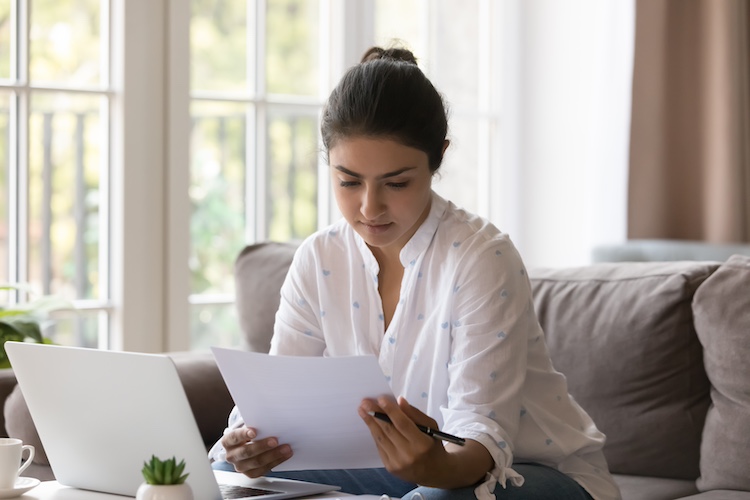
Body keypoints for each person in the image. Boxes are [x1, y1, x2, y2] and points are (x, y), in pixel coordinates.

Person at [209, 46, 621, 500]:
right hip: (396, 469)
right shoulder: (318, 258)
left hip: (529, 470)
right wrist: (250, 446)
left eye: (397, 183)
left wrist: (434, 465)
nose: (369, 207)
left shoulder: (482, 257)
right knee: (230, 475)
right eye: (348, 181)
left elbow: (481, 434)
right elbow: (277, 405)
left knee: (430, 498)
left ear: (437, 158)